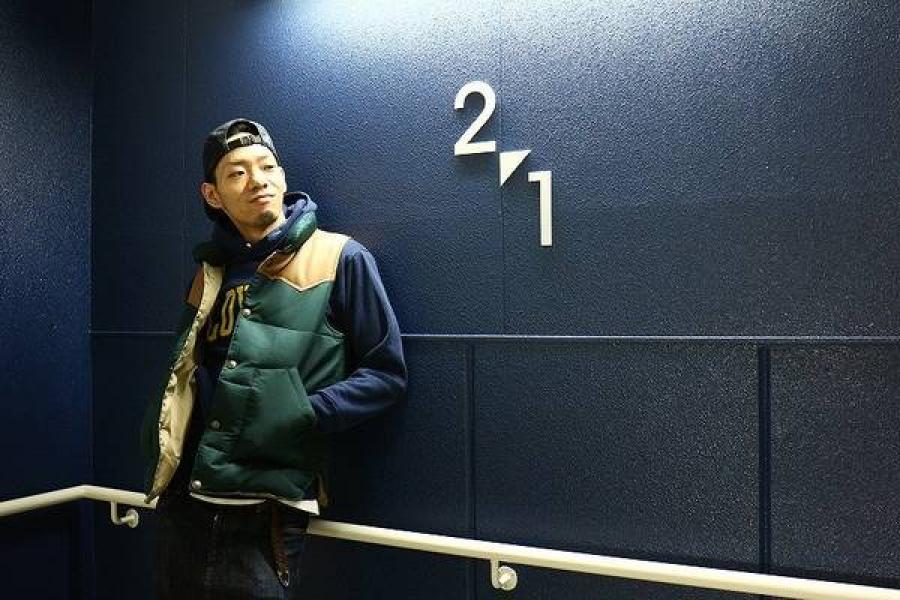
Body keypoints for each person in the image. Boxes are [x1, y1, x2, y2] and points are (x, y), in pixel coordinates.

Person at [140, 118, 407, 599]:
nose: (257, 180)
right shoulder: (208, 272)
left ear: (282, 177)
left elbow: (385, 374)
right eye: (237, 172)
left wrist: (301, 412)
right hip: (183, 502)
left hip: (266, 511)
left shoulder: (340, 258)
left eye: (267, 167)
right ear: (212, 194)